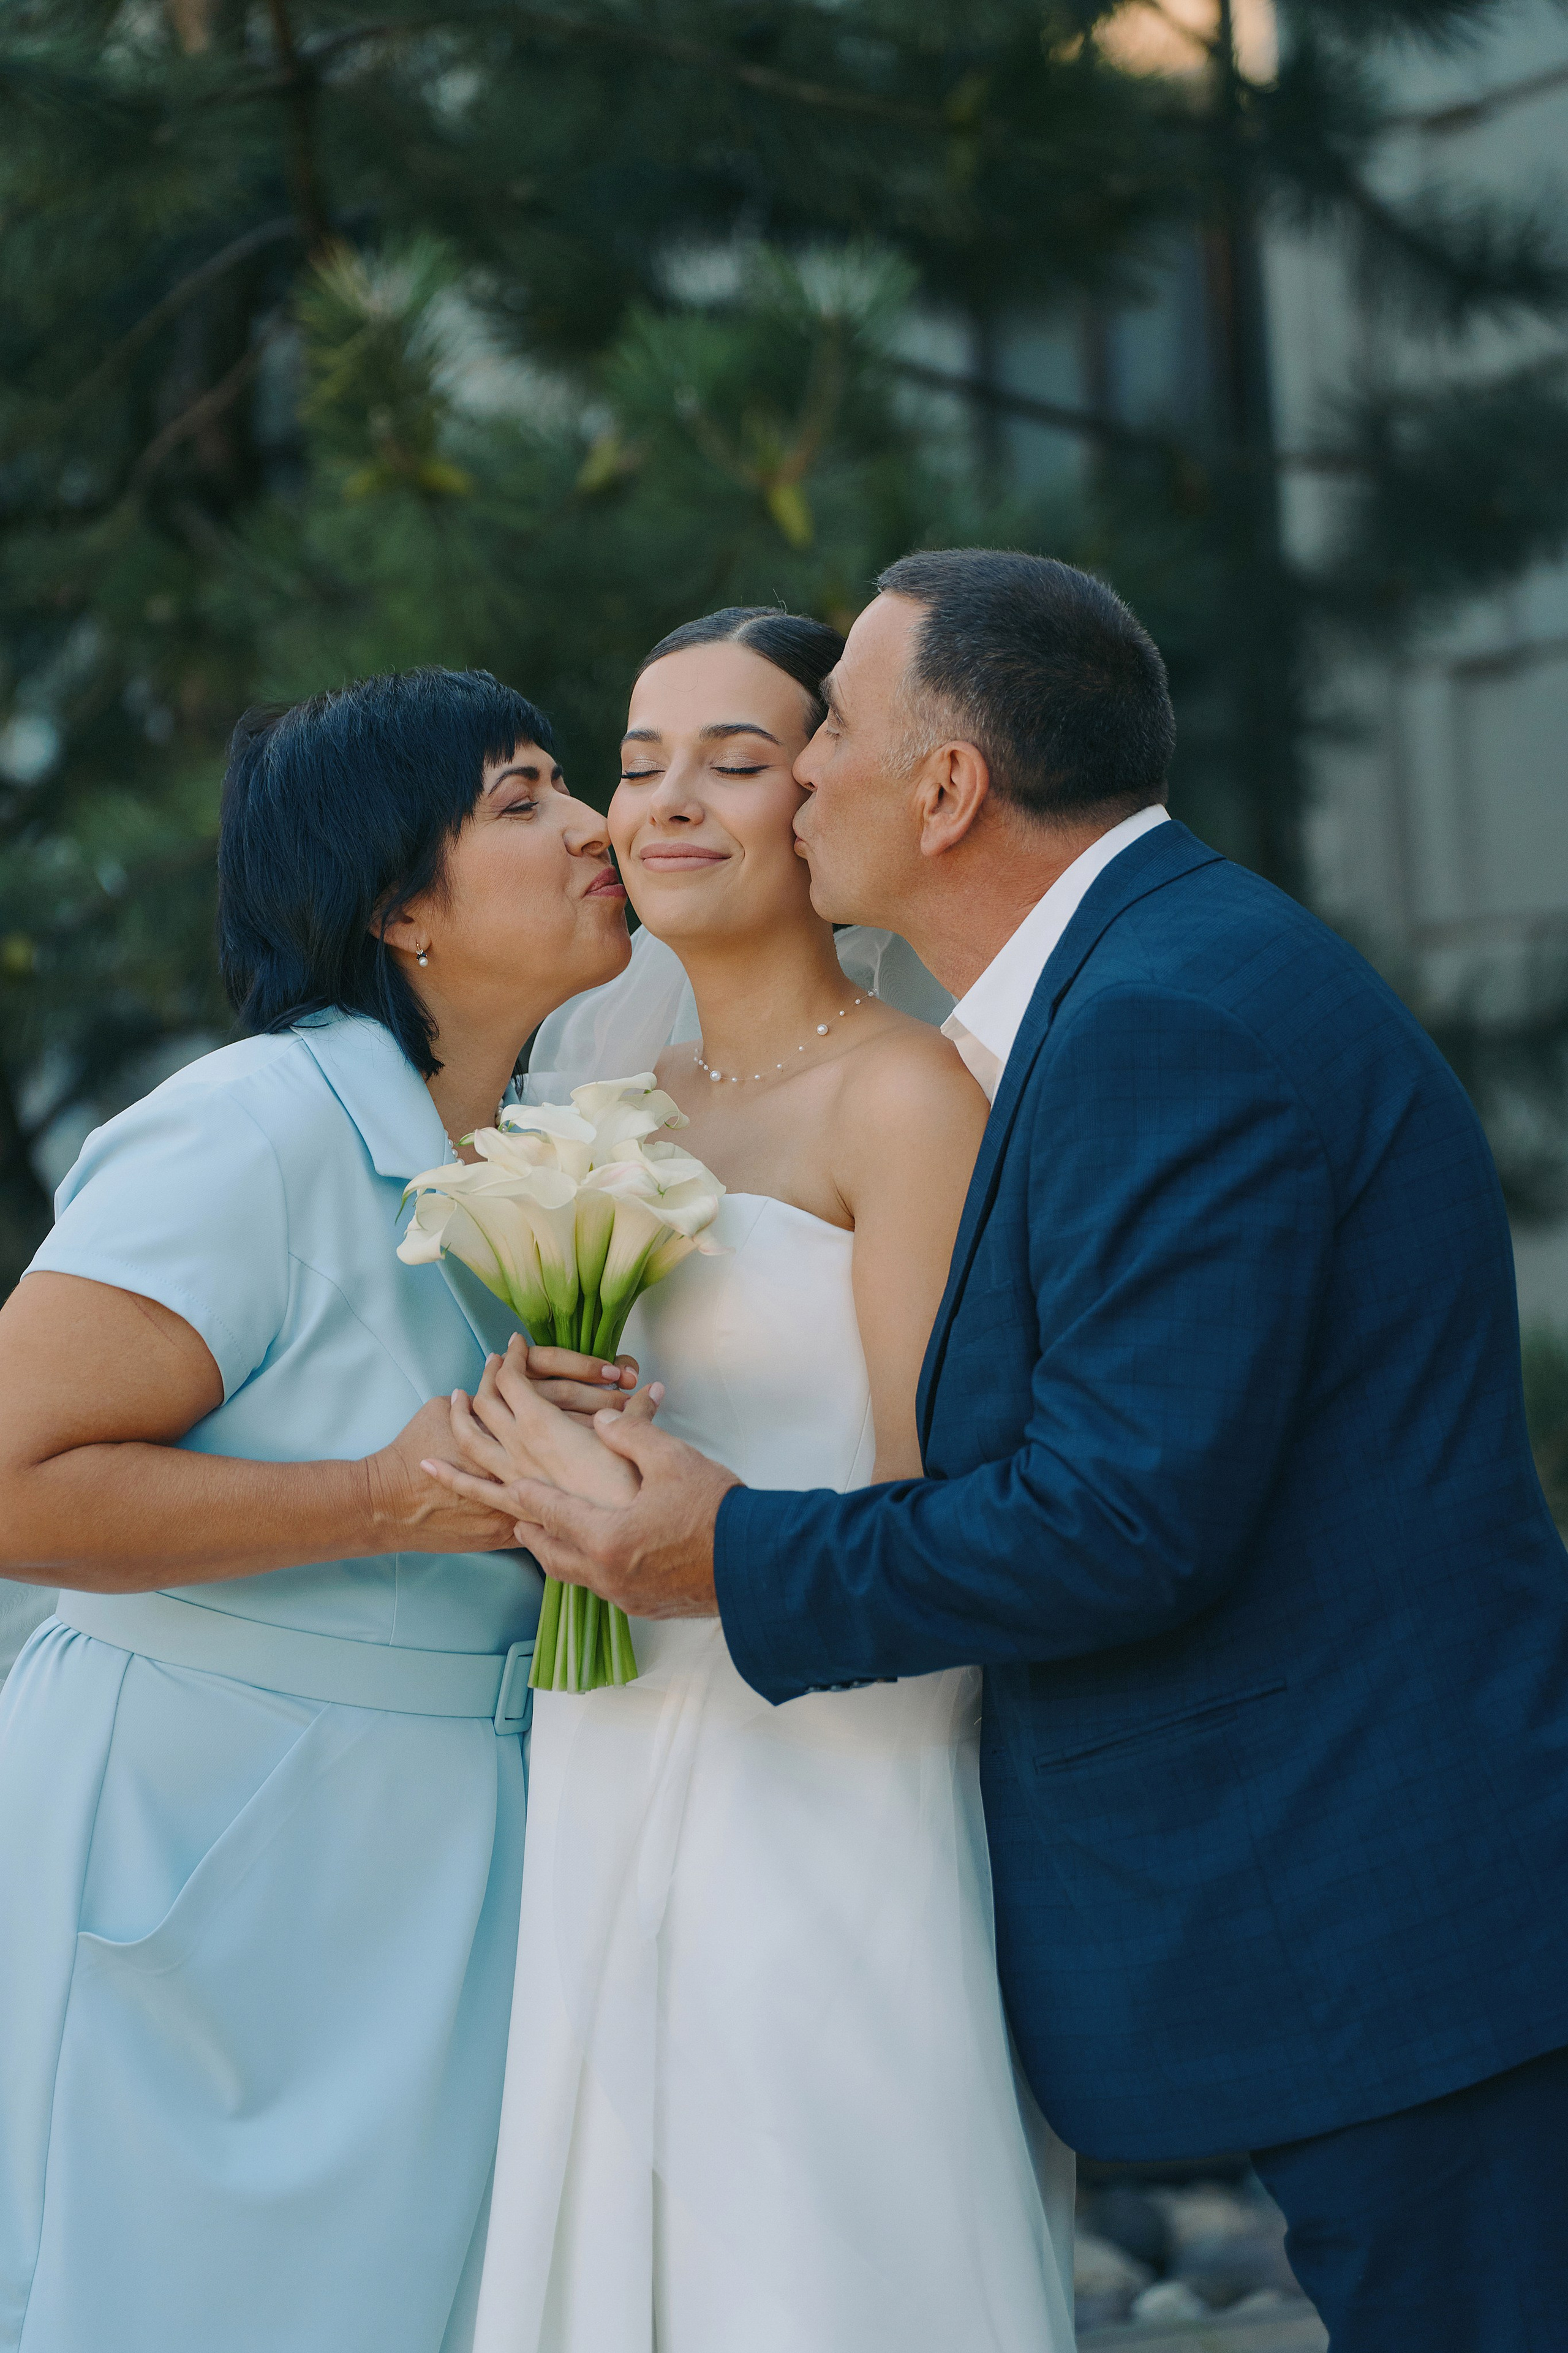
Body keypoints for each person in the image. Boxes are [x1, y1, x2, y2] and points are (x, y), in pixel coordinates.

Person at [443, 554, 1568, 2353]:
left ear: (947, 787)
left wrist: (716, 1550)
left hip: (1387, 1924)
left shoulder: (1163, 1020)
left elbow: (1124, 1516)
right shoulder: (1137, 988)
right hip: (1347, 1917)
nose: (793, 787)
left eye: (825, 750)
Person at [443, 608, 1076, 2352]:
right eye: (637, 764)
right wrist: (535, 1409)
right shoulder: (604, 1105)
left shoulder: (906, 1098)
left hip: (831, 1777)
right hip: (606, 1743)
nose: (665, 804)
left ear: (821, 796)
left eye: (736, 760)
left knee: (807, 2265)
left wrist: (695, 1528)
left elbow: (944, 1512)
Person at [0, 668, 637, 2353]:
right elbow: (9, 1477)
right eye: (521, 796)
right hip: (214, 1848)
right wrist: (381, 1495)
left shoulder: (549, 1149)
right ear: (396, 904)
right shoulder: (251, 1126)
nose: (595, 825)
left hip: (450, 1860)